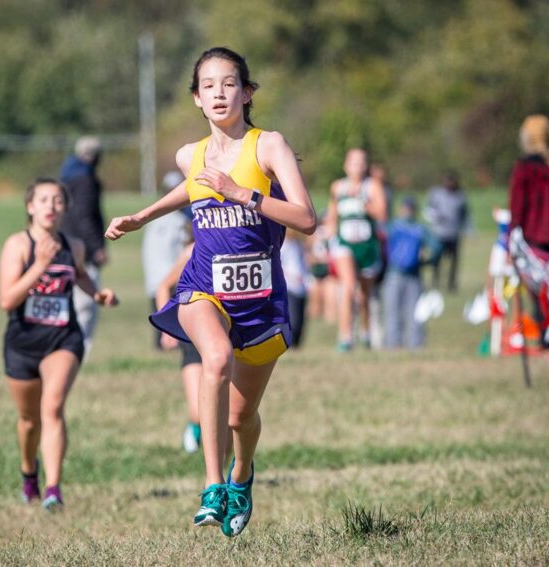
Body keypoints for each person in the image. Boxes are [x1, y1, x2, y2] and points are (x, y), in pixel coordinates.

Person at [106, 47, 316, 537]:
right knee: (215, 358)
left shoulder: (269, 146)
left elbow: (306, 218)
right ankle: (212, 485)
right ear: (197, 99)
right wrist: (144, 216)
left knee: (242, 417)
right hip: (205, 288)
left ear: (247, 93)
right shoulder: (190, 155)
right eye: (208, 85)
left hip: (261, 300)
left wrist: (244, 194)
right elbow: (194, 189)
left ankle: (242, 475)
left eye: (229, 84)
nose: (219, 93)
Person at [0, 177, 117, 509]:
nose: (51, 206)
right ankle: (28, 472)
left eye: (58, 201)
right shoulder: (17, 245)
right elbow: (7, 301)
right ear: (30, 207)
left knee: (52, 407)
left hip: (63, 338)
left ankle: (53, 489)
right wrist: (39, 265)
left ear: (64, 209)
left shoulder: (73, 245)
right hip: (22, 342)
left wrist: (97, 293)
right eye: (43, 200)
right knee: (29, 419)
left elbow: (78, 273)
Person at [509, 114, 549, 352]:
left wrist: (512, 235)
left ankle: (548, 341)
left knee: (541, 295)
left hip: (535, 241)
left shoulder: (525, 169)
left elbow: (517, 206)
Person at [326, 148, 387, 352]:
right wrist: (329, 236)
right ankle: (346, 337)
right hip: (345, 244)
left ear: (366, 166)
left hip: (367, 245)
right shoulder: (338, 187)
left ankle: (366, 331)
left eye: (361, 162)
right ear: (346, 165)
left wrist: (363, 201)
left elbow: (382, 214)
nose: (357, 166)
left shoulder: (373, 186)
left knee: (365, 295)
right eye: (353, 162)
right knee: (349, 287)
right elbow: (332, 215)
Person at [59, 136, 108, 354]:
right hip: (82, 249)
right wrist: (97, 246)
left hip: (62, 243)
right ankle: (79, 350)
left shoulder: (65, 176)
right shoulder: (86, 180)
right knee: (85, 303)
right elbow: (85, 216)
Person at [155, 242, 204, 453]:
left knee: (229, 411)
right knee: (198, 411)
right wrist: (167, 329)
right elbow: (164, 287)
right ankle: (195, 426)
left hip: (230, 335)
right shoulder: (193, 250)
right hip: (192, 339)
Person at [141, 170, 190, 348]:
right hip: (172, 277)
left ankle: (162, 344)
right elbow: (183, 251)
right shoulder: (179, 222)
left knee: (159, 317)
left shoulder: (152, 220)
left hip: (154, 276)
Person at [382, 196, 438, 349]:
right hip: (414, 275)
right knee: (414, 313)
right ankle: (415, 343)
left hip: (393, 274)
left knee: (392, 312)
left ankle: (392, 344)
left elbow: (380, 242)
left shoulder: (392, 226)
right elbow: (436, 248)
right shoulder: (421, 229)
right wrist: (426, 262)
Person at [424, 170, 469, 293]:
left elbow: (465, 214)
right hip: (439, 233)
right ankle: (435, 282)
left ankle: (451, 284)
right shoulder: (436, 194)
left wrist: (468, 229)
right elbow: (428, 210)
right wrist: (435, 217)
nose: (449, 183)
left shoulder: (460, 196)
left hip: (453, 233)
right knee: (437, 259)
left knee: (454, 261)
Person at [280, 229, 309, 348]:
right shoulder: (284, 245)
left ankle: (296, 345)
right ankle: (290, 344)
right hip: (290, 285)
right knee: (294, 319)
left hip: (301, 286)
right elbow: (280, 264)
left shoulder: (299, 245)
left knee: (301, 319)